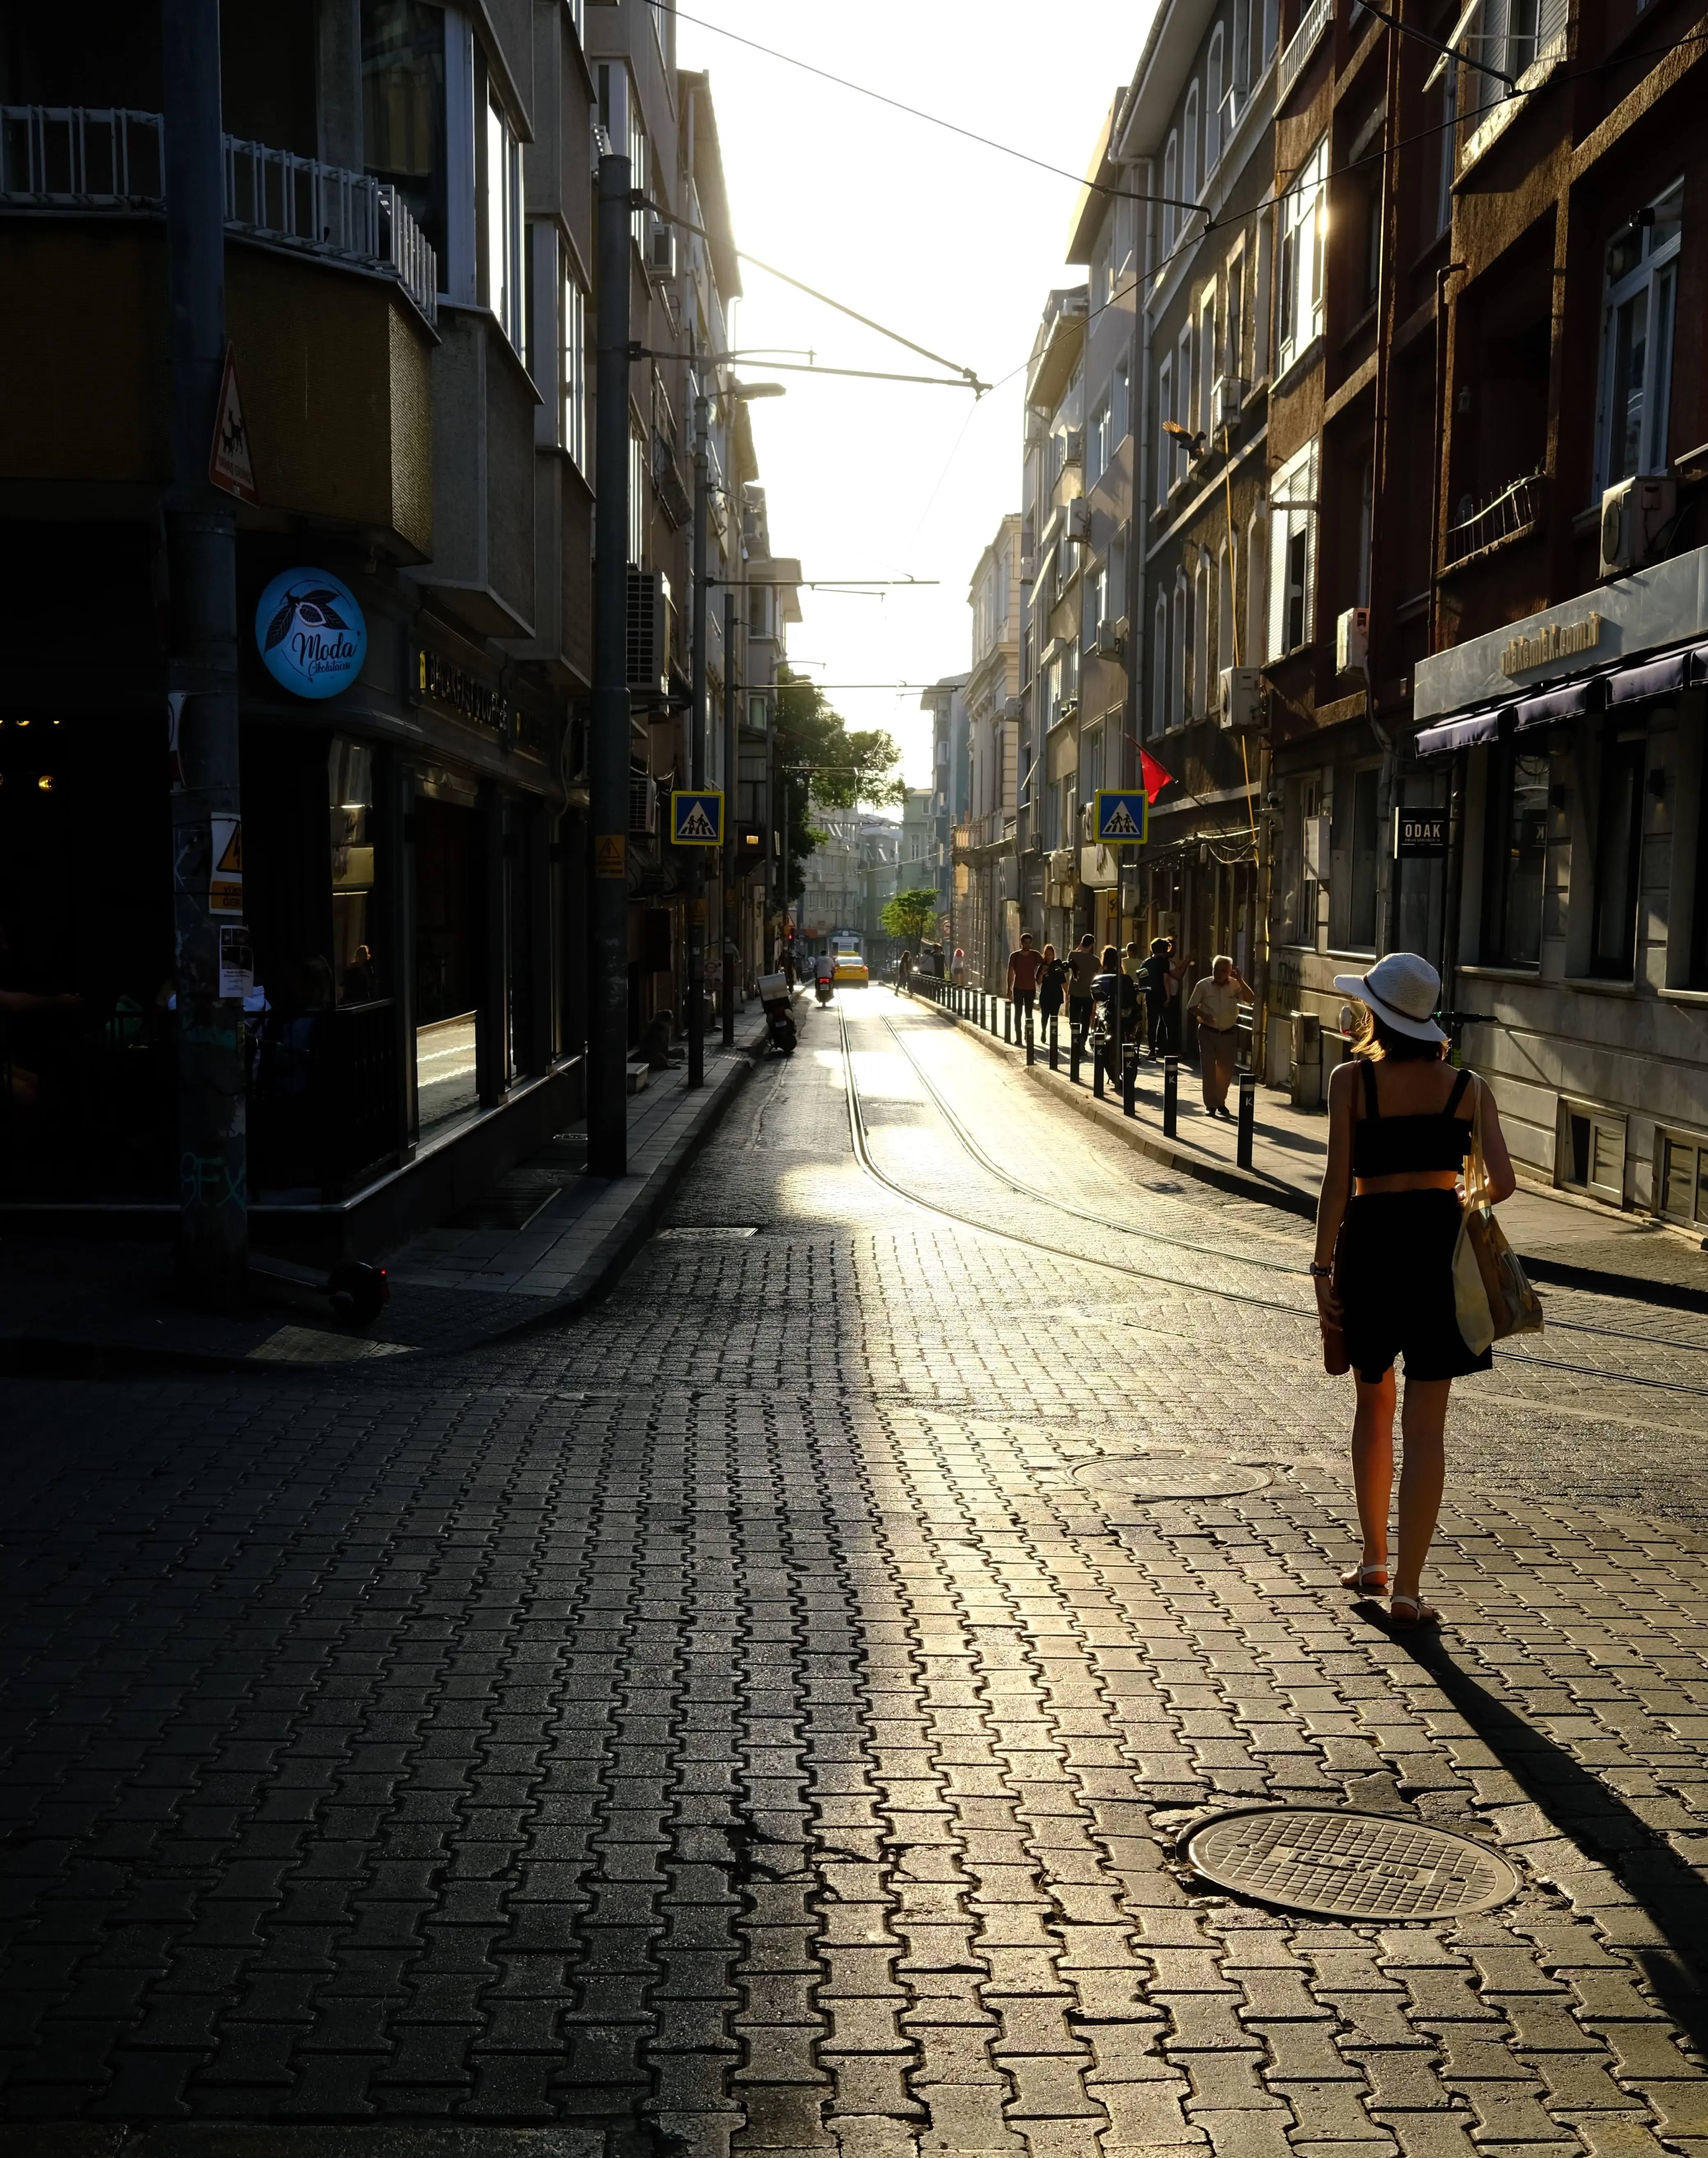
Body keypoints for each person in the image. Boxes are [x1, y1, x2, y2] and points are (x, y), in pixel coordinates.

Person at [1311, 952, 1515, 1629]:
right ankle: (1408, 1589)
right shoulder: (1469, 1087)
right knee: (1427, 1425)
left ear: (1377, 1014)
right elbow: (1504, 1183)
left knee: (1373, 1405)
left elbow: (1337, 1185)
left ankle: (1372, 1557)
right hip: (1437, 1248)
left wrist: (1322, 1271)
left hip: (1369, 1246)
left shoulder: (1350, 1082)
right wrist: (1461, 1194)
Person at [1185, 953, 1252, 1117]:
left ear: (1230, 971)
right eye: (1217, 970)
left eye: (1224, 971)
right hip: (1208, 1032)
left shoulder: (1236, 985)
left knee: (1225, 1071)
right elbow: (1191, 1006)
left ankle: (1221, 1102)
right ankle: (1211, 1105)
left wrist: (1241, 980)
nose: (1219, 974)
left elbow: (1251, 1000)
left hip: (1228, 1033)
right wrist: (1204, 1015)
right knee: (1209, 1069)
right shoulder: (1204, 985)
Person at [1065, 933, 1098, 1042]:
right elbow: (1099, 973)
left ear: (1082, 943)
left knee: (1074, 1018)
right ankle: (1082, 1042)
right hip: (1088, 993)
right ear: (1092, 945)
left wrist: (1079, 948)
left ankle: (1075, 1039)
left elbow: (1070, 962)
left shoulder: (1072, 955)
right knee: (1085, 1019)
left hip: (1075, 991)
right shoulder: (1095, 960)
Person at [1007, 933, 1043, 1028]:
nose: (1028, 945)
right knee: (1018, 1013)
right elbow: (1010, 972)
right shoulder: (1015, 956)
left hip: (1031, 988)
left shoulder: (1035, 955)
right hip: (1018, 988)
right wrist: (1009, 989)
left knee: (1029, 1013)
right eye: (1026, 943)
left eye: (1029, 943)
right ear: (1021, 943)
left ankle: (1028, 1035)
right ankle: (1019, 1037)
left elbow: (1045, 965)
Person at [1037, 944, 1067, 1040]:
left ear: (1054, 955)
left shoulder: (1058, 967)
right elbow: (1038, 982)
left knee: (1054, 1017)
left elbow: (1064, 982)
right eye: (1047, 955)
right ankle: (1044, 1031)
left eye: (1051, 955)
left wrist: (1068, 995)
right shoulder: (1042, 967)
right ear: (1044, 955)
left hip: (1056, 995)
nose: (1049, 957)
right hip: (1046, 994)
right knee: (1045, 1016)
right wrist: (1042, 973)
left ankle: (1053, 1035)